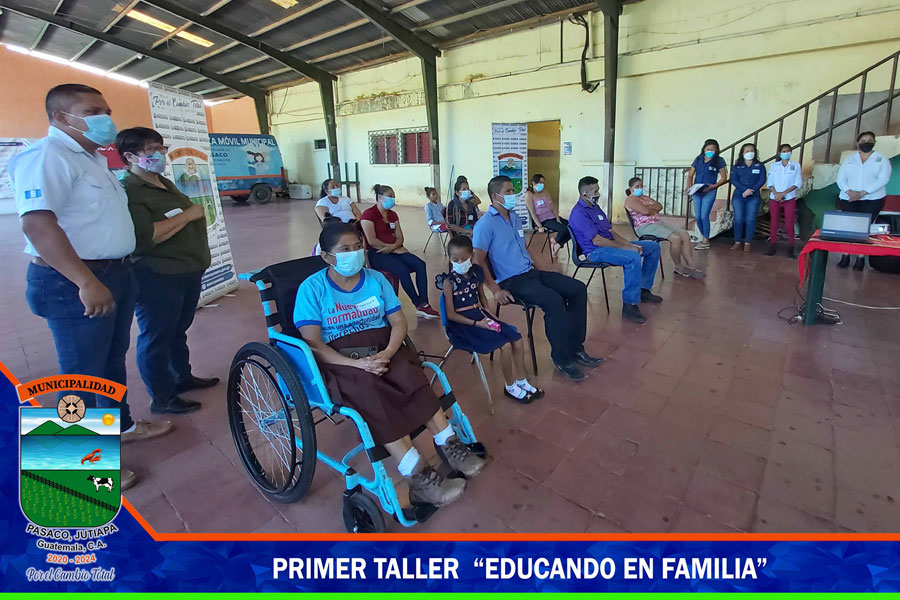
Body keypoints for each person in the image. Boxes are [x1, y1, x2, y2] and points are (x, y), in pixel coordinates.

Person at [9, 84, 172, 491]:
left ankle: (121, 427)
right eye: (93, 110)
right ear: (61, 117)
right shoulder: (47, 156)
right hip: (73, 281)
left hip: (114, 273)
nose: (105, 118)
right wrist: (85, 281)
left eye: (107, 110)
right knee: (79, 376)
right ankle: (72, 470)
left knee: (110, 362)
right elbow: (37, 225)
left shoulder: (92, 159)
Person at [294, 222, 485, 506]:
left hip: (383, 346)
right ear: (326, 256)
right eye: (345, 250)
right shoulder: (312, 289)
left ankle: (450, 444)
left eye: (358, 247)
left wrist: (389, 352)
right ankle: (418, 476)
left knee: (411, 375)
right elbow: (312, 343)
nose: (354, 254)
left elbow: (397, 321)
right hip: (340, 359)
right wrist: (358, 365)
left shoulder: (376, 279)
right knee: (369, 392)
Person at [117, 126, 220, 415]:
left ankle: (181, 376)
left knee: (177, 330)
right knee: (157, 336)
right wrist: (189, 215)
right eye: (151, 150)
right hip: (159, 274)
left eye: (161, 149)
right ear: (130, 156)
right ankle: (162, 396)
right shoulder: (130, 190)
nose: (159, 155)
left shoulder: (162, 182)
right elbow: (146, 237)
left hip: (187, 270)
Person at [472, 175, 605, 381]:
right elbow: (477, 260)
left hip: (531, 273)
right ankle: (562, 359)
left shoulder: (515, 217)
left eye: (513, 190)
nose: (513, 195)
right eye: (508, 191)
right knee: (553, 300)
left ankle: (576, 348)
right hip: (511, 281)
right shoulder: (485, 224)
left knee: (578, 288)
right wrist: (496, 290)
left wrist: (544, 271)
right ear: (495, 196)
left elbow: (525, 248)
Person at [437, 235, 544, 404]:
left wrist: (491, 317)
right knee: (505, 345)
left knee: (517, 339)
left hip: (480, 315)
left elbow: (482, 298)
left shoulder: (476, 273)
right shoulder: (449, 282)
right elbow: (450, 314)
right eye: (455, 260)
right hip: (463, 325)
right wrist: (478, 323)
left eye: (464, 258)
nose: (460, 262)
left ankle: (522, 381)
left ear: (471, 256)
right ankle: (510, 387)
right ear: (450, 258)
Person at [569, 176, 663, 325]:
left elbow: (610, 232)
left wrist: (629, 244)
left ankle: (643, 290)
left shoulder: (595, 208)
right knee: (632, 257)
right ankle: (629, 305)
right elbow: (597, 240)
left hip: (609, 244)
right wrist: (627, 248)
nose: (598, 194)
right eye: (595, 191)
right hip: (595, 251)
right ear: (584, 194)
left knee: (653, 247)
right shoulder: (579, 213)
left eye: (598, 190)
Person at [360, 184, 439, 319]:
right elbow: (372, 241)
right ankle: (418, 304)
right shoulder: (369, 215)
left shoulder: (392, 215)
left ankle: (425, 302)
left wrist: (393, 248)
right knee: (402, 270)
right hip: (377, 253)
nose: (393, 199)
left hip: (395, 250)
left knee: (420, 264)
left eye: (394, 196)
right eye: (390, 196)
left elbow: (400, 237)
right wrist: (392, 248)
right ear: (380, 197)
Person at [624, 177, 704, 279]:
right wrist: (652, 208)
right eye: (637, 186)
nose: (640, 188)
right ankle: (678, 266)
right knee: (676, 238)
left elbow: (659, 206)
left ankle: (691, 264)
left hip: (657, 223)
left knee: (685, 234)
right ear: (630, 188)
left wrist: (650, 208)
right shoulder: (630, 200)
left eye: (641, 186)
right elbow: (646, 212)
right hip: (644, 226)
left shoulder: (644, 198)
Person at [836, 131, 892, 270]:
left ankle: (860, 258)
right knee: (849, 227)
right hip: (849, 198)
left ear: (874, 143)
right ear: (857, 143)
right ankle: (845, 255)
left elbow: (883, 179)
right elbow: (840, 178)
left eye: (869, 140)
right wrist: (849, 191)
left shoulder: (881, 159)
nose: (866, 143)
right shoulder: (850, 160)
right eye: (863, 140)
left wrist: (863, 192)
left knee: (864, 228)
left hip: (872, 199)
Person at [685, 138, 728, 249]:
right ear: (704, 149)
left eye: (713, 149)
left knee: (704, 215)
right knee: (698, 216)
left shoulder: (719, 160)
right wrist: (689, 186)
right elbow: (690, 174)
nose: (710, 151)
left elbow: (724, 177)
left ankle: (705, 240)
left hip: (710, 190)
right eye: (708, 149)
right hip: (697, 190)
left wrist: (714, 186)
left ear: (716, 150)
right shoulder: (698, 159)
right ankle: (704, 236)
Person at [766, 143, 803, 258]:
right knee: (774, 222)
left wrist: (783, 193)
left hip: (789, 197)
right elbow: (770, 183)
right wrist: (776, 194)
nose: (786, 153)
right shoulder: (774, 166)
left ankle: (791, 247)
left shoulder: (795, 166)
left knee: (789, 223)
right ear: (779, 153)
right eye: (783, 151)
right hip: (775, 197)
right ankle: (772, 245)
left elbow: (797, 183)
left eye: (788, 151)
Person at [730, 143, 767, 253]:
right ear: (742, 153)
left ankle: (747, 243)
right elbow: (734, 179)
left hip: (753, 196)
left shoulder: (759, 165)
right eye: (747, 151)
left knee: (750, 219)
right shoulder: (737, 166)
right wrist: (744, 190)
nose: (749, 153)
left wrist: (752, 190)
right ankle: (737, 241)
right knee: (738, 219)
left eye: (752, 150)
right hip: (739, 195)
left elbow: (762, 179)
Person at [525, 173, 569, 259]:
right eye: (540, 182)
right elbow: (532, 212)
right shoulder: (529, 194)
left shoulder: (545, 192)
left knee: (572, 227)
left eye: (543, 182)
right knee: (564, 230)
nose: (542, 184)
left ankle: (556, 243)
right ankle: (556, 243)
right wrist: (540, 226)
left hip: (552, 216)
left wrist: (557, 218)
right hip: (542, 220)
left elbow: (552, 206)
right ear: (534, 183)